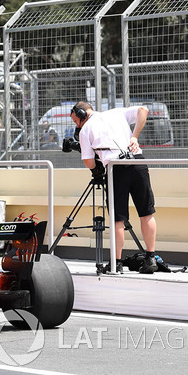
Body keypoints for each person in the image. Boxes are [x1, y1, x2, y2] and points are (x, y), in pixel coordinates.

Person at [70, 101, 158, 274]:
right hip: (138, 162)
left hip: (116, 168)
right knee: (146, 212)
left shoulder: (86, 129)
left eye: (76, 121)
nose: (77, 125)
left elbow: (88, 162)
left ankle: (116, 263)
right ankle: (151, 258)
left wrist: (97, 165)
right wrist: (134, 137)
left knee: (118, 218)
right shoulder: (116, 113)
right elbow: (143, 110)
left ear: (82, 114)